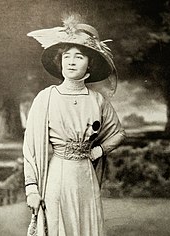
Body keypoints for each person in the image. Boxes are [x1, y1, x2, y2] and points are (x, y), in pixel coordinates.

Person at [23, 16, 126, 236]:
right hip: (58, 176)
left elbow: (118, 133)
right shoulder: (46, 98)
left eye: (78, 57)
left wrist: (97, 151)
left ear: (90, 64)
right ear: (59, 62)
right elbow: (30, 148)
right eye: (66, 56)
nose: (71, 62)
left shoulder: (97, 100)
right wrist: (32, 189)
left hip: (86, 177)